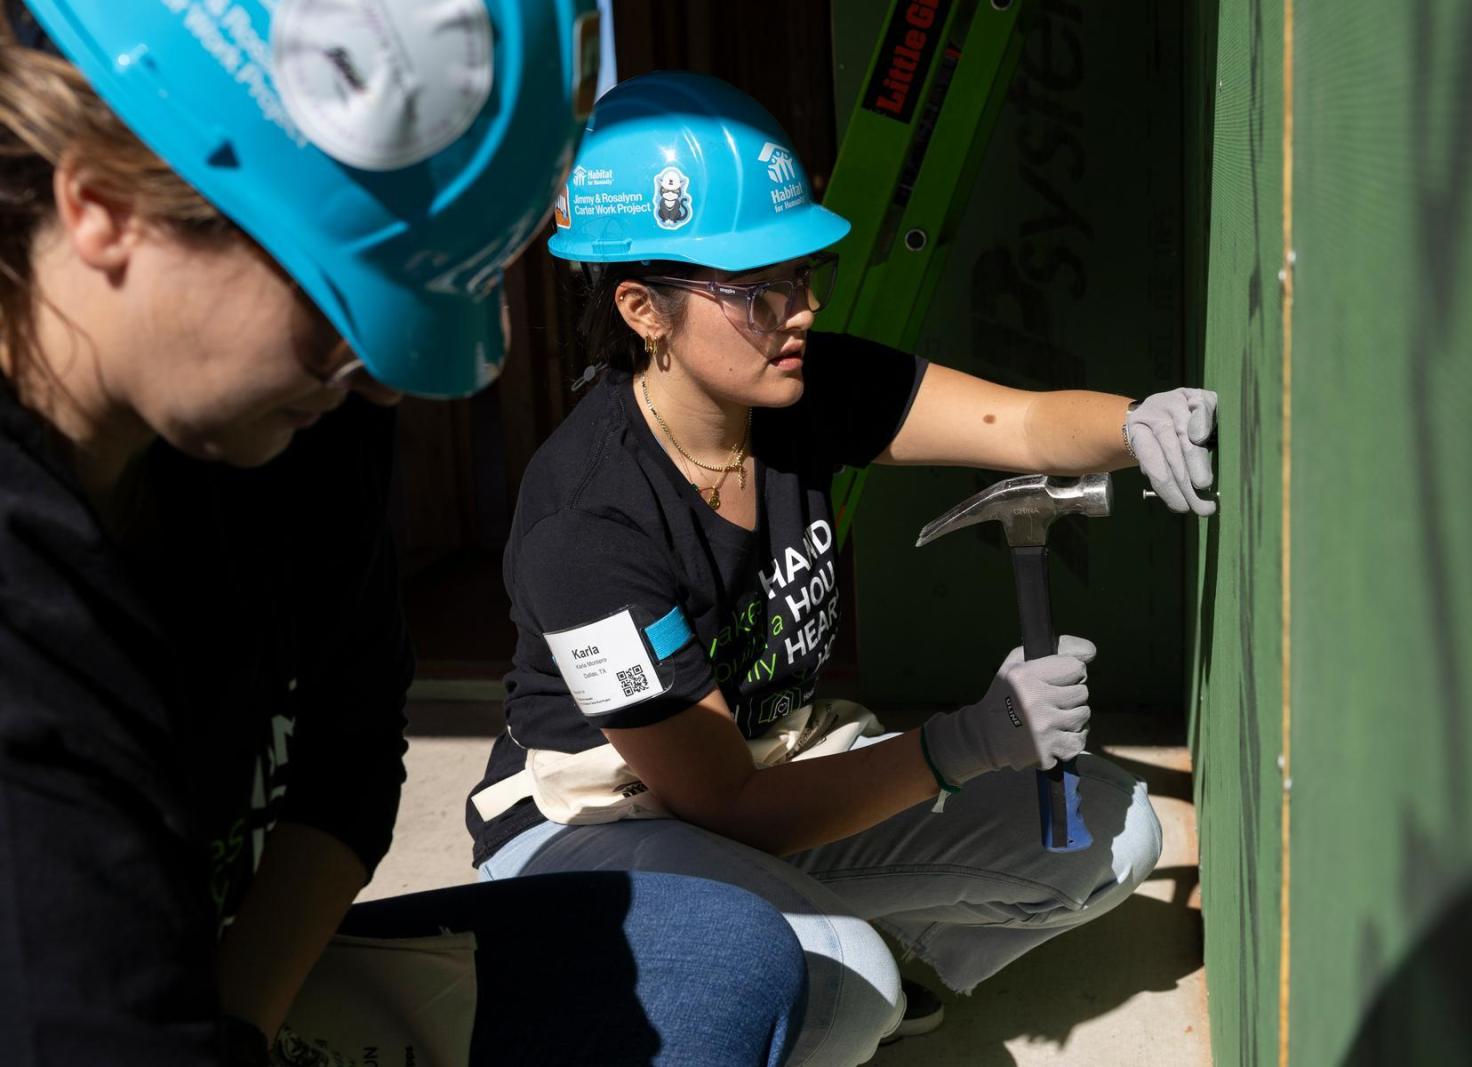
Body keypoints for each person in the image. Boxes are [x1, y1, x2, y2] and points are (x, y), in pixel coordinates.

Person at [0, 5, 806, 1066]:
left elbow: (349, 746)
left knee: (723, 958)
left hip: (212, 976)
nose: (386, 375)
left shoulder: (313, 424)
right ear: (105, 203)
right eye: (349, 301)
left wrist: (240, 1025)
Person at [466, 70, 1217, 1066]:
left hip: (762, 772)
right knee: (833, 982)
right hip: (586, 832)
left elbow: (1020, 420)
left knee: (1104, 838)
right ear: (644, 308)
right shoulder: (586, 522)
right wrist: (965, 742)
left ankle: (843, 951)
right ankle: (788, 972)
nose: (802, 309)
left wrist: (1131, 421)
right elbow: (716, 803)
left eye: (801, 271)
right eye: (756, 288)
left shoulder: (799, 390)